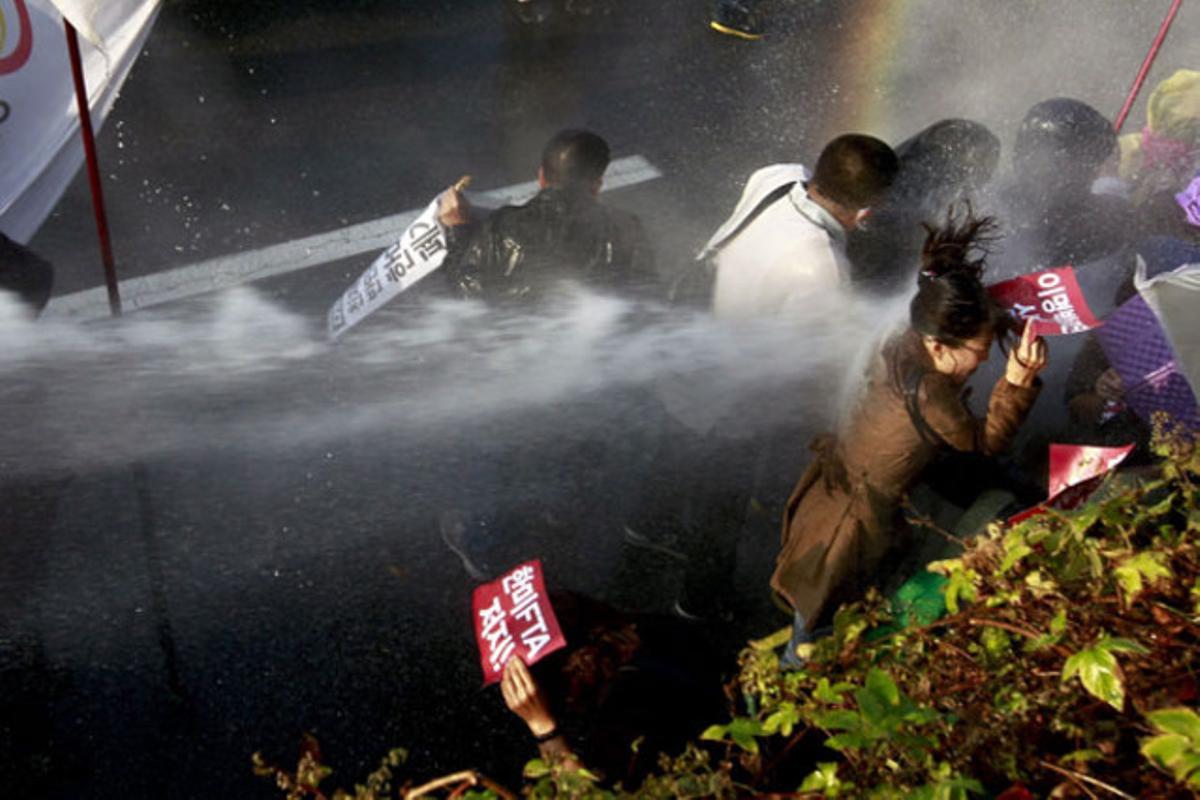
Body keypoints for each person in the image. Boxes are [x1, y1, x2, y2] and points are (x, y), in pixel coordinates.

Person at [771, 208, 1047, 666]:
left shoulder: (907, 333)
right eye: (979, 352)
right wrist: (1016, 384)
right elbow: (982, 444)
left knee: (822, 615)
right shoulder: (931, 392)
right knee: (815, 631)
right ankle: (790, 706)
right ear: (939, 345)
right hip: (849, 530)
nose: (983, 360)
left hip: (837, 495)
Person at [437, 128, 657, 304]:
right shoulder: (626, 228)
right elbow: (645, 301)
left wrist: (457, 229)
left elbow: (467, 297)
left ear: (541, 176)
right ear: (597, 184)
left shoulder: (501, 226)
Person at [848, 119, 1000, 294]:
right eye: (983, 166)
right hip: (880, 279)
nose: (984, 178)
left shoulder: (894, 180)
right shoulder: (915, 196)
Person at [993, 98, 1129, 275]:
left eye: (1095, 161)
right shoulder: (995, 215)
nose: (1092, 172)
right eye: (1086, 160)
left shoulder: (1112, 217)